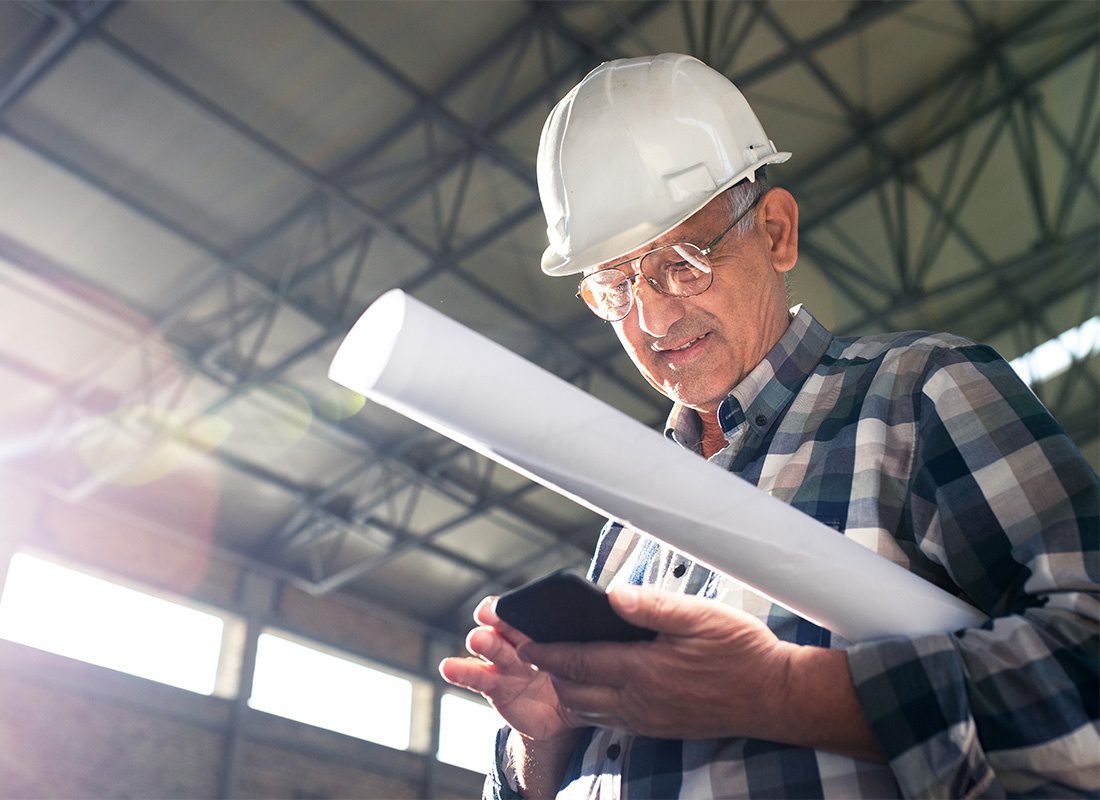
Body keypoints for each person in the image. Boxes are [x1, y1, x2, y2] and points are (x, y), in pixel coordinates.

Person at [439, 53, 1099, 799]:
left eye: (682, 262)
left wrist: (782, 693)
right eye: (616, 286)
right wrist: (542, 740)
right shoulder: (627, 527)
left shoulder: (919, 394)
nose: (653, 318)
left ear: (777, 231)